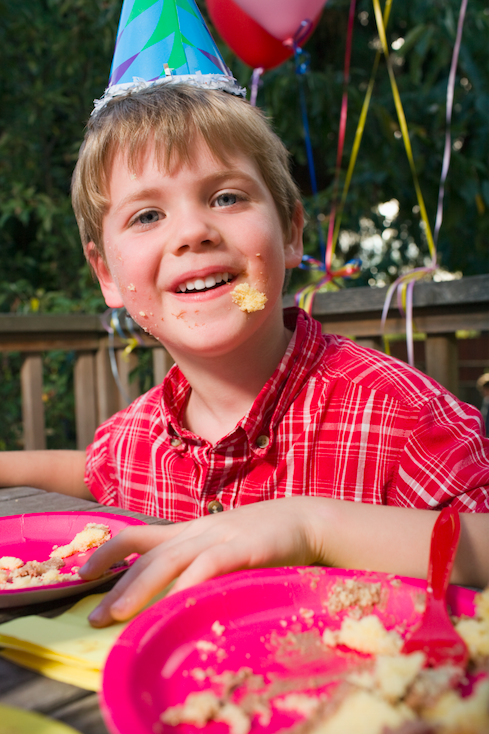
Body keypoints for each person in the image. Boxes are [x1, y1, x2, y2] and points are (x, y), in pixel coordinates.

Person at [1, 83, 488, 627]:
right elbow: (88, 473)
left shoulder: (399, 413)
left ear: (291, 231)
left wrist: (313, 526)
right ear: (107, 275)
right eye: (146, 216)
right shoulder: (139, 436)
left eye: (226, 197)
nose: (193, 232)